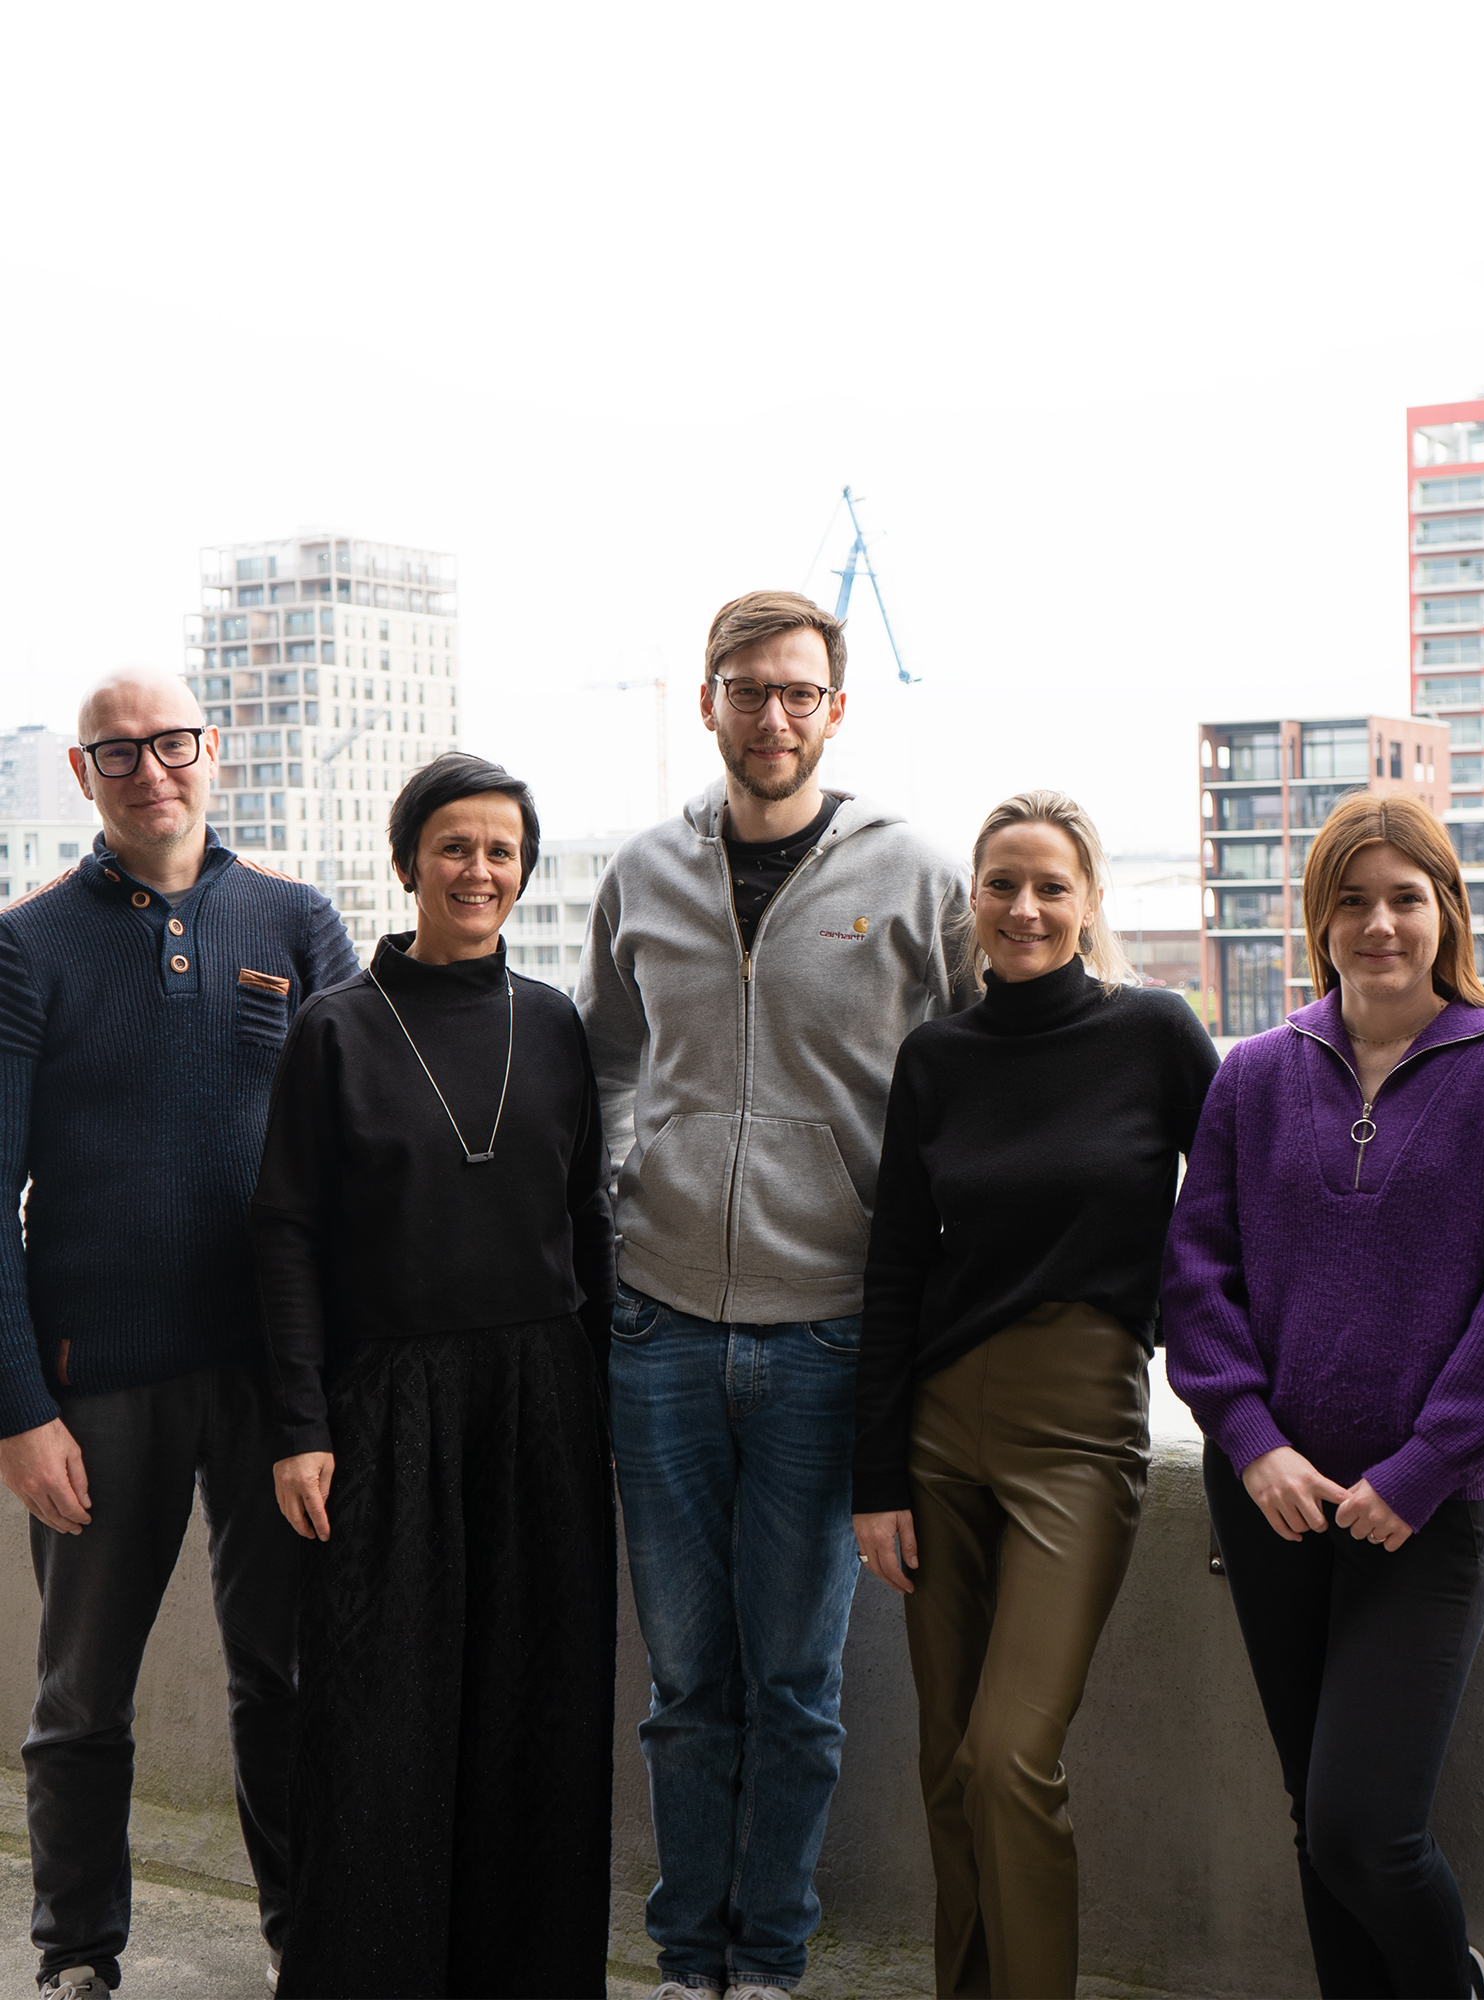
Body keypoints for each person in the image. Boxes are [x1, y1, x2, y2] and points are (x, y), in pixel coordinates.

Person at [575, 590, 975, 2000]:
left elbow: (982, 1069)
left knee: (797, 1691)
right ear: (708, 703)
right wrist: (629, 1192)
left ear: (836, 710)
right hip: (660, 1329)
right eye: (748, 691)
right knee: (688, 1692)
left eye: (800, 693)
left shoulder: (918, 878)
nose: (774, 717)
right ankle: (690, 1962)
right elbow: (607, 1064)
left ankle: (774, 1962)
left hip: (829, 1338)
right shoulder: (643, 872)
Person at [1163, 791, 1484, 2000]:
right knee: (1313, 1819)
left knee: (1362, 1825)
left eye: (1404, 896)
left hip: (1422, 1509)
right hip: (1273, 1499)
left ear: (1444, 909)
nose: (1378, 923)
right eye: (1351, 899)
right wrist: (1249, 1442)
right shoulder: (1251, 1073)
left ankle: (1447, 1982)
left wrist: (1421, 1467)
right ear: (1318, 918)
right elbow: (1194, 1274)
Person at [0, 669, 357, 2000]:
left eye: (173, 744)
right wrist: (17, 1408)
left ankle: (306, 1939)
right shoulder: (27, 946)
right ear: (85, 773)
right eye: (117, 751)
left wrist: (339, 1387)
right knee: (81, 1701)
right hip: (95, 1385)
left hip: (274, 1380)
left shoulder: (298, 920)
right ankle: (78, 1954)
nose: (151, 769)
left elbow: (357, 1162)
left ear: (215, 751)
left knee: (290, 1677)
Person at [251, 752, 618, 1999]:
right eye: (453, 847)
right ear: (406, 863)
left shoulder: (555, 1024)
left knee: (536, 1710)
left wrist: (603, 1397)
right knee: (378, 1721)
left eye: (501, 850)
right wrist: (300, 1423)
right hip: (385, 1404)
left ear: (523, 871)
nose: (479, 870)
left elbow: (588, 1226)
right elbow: (286, 1232)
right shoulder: (335, 1029)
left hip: (541, 1402)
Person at [851, 789, 1218, 2000]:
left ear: (1087, 902)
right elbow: (897, 1264)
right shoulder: (937, 1056)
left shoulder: (1154, 1032)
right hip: (938, 1430)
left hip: (1081, 1428)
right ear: (975, 904)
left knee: (1011, 1753)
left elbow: (1229, 1220)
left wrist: (1226, 1375)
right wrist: (876, 1478)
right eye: (1002, 884)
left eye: (1049, 885)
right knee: (949, 1765)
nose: (1023, 907)